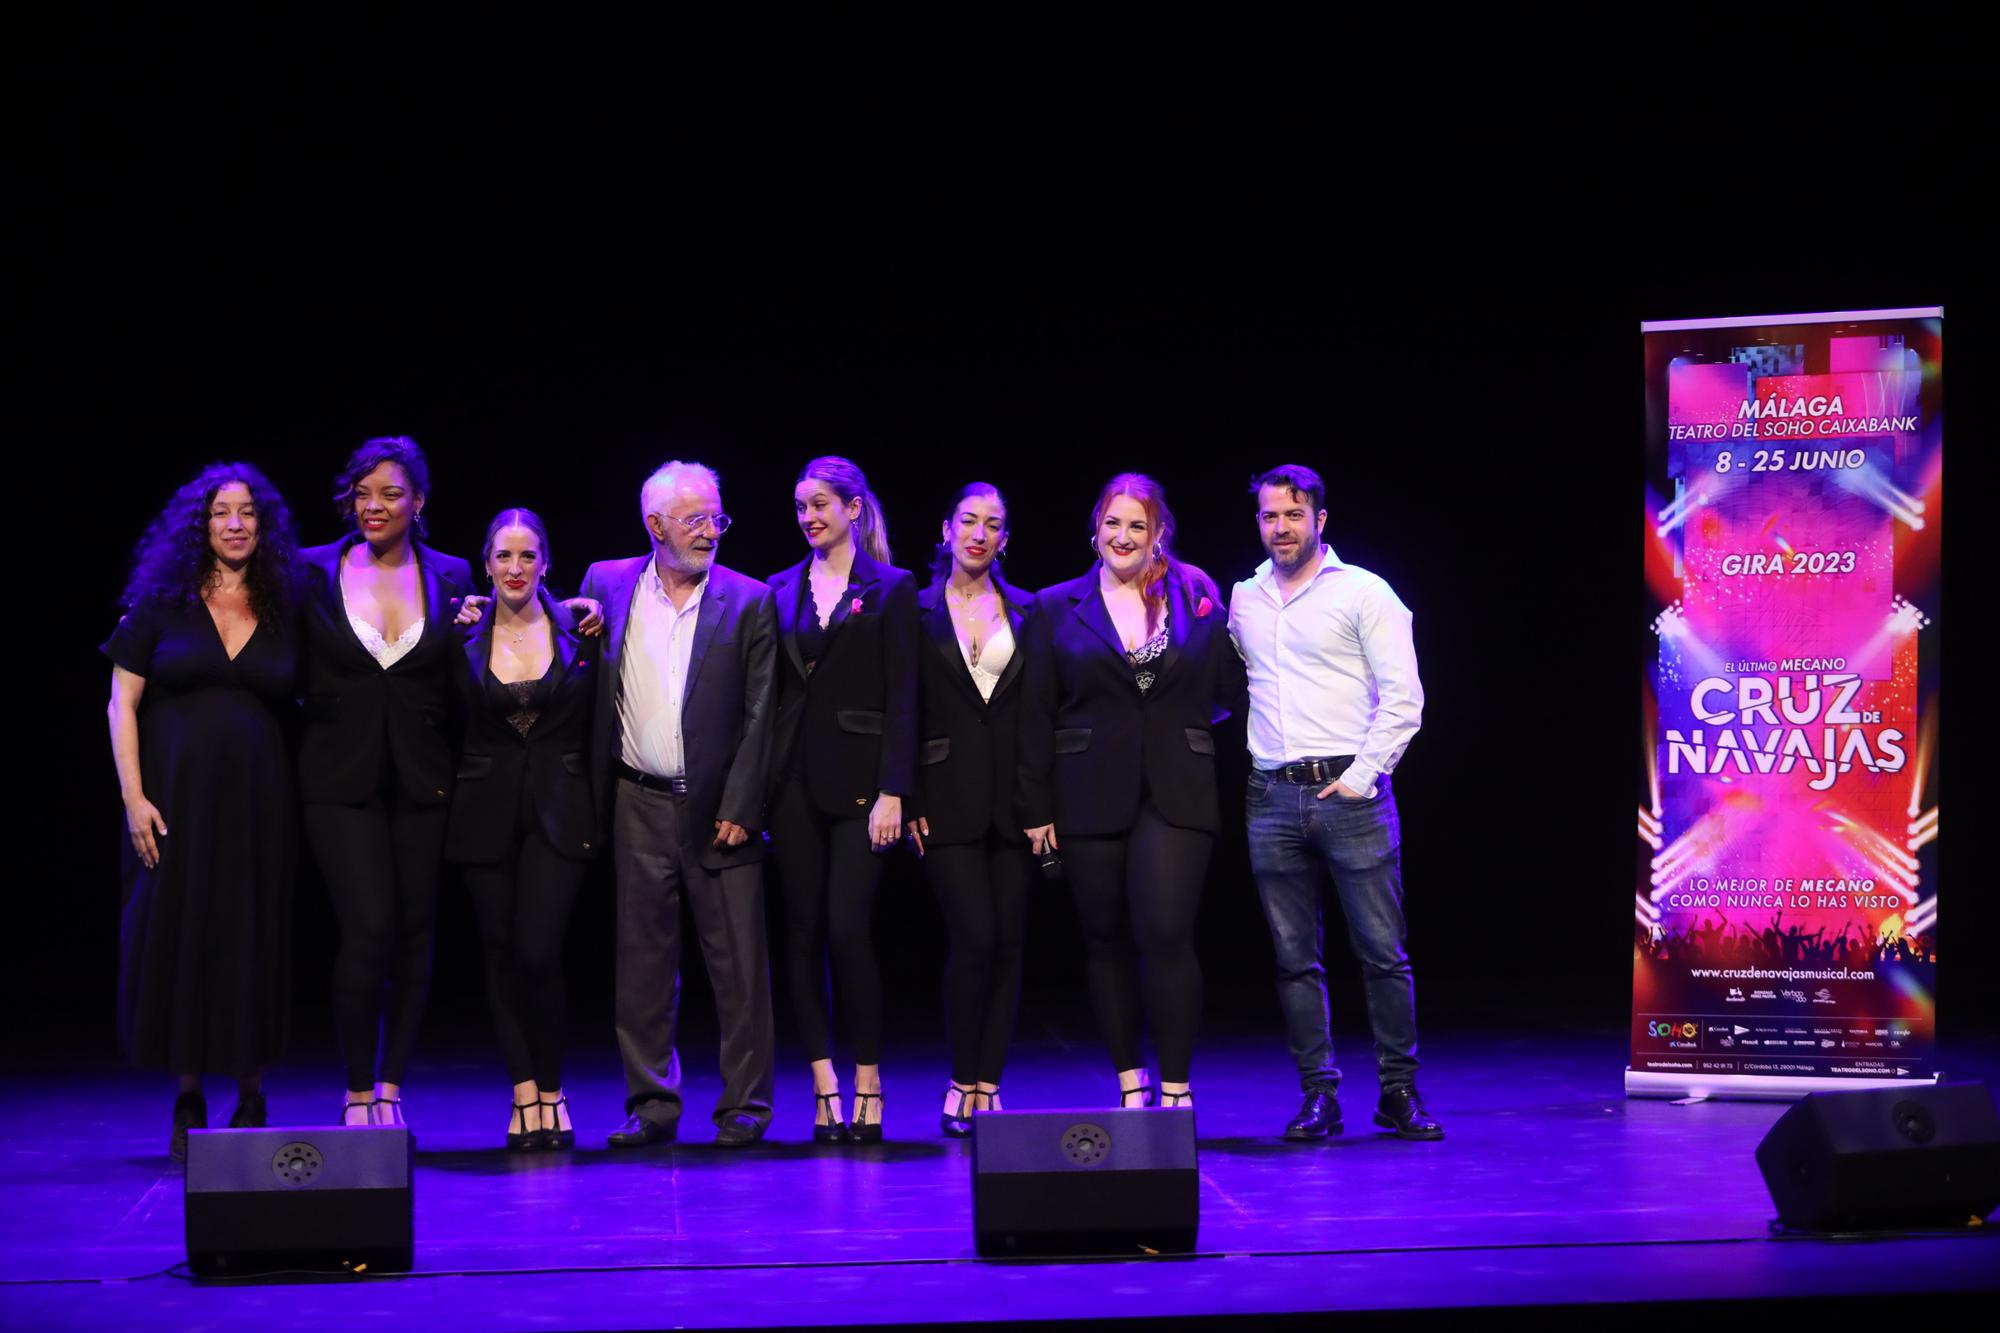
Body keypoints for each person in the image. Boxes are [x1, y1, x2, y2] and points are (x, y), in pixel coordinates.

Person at [1227, 464, 1439, 1141]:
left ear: (1321, 518)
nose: (1279, 527)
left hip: (1350, 791)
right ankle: (1319, 1094)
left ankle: (1398, 1090)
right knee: (1294, 957)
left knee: (1382, 951)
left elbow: (1404, 698)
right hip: (1271, 795)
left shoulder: (1365, 592)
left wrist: (1363, 774)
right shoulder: (1244, 598)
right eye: (1268, 516)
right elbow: (1234, 679)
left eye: (1292, 514)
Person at [1017, 473, 1240, 1109]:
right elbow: (1036, 711)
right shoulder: (1055, 605)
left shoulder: (1195, 591)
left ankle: (1175, 1086)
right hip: (1087, 789)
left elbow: (1226, 687)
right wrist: (1036, 808)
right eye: (1113, 523)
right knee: (1105, 938)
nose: (1123, 536)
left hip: (1178, 787)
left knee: (1167, 931)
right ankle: (1130, 1084)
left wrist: (1183, 730)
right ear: (1095, 530)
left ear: (1157, 533)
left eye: (1137, 525)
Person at [105, 463, 302, 1158]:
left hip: (260, 806)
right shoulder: (161, 602)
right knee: (183, 937)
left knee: (250, 935)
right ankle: (189, 1093)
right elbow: (120, 702)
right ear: (202, 522)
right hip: (175, 804)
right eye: (222, 511)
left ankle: (250, 1091)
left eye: (248, 511)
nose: (236, 523)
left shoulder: (287, 602)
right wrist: (133, 796)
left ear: (264, 524)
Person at [585, 461, 781, 1150]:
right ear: (655, 524)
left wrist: (744, 802)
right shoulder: (606, 585)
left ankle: (745, 1110)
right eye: (695, 517)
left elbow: (765, 712)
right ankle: (651, 1105)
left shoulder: (749, 599)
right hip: (635, 798)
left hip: (720, 808)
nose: (710, 530)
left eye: (716, 516)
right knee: (641, 965)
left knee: (739, 969)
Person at [298, 437, 475, 1127]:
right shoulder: (312, 570)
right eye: (363, 492)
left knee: (413, 931)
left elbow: (502, 627)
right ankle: (356, 1089)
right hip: (337, 777)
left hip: (424, 776)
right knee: (368, 925)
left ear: (418, 502)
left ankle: (393, 1087)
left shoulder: (451, 574)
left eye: (390, 493)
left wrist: (574, 612)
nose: (374, 505)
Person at [768, 456, 918, 1142]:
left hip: (863, 784)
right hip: (795, 782)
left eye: (821, 504)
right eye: (802, 507)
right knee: (801, 934)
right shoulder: (779, 589)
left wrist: (894, 788)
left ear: (853, 509)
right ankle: (824, 1081)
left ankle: (867, 1076)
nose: (810, 517)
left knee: (848, 929)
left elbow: (904, 695)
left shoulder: (890, 587)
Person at [445, 509, 598, 1151]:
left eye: (527, 556)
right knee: (502, 955)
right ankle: (523, 1094)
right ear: (486, 564)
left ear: (545, 562)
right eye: (503, 556)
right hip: (483, 813)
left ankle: (554, 1087)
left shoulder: (579, 628)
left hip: (561, 811)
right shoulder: (461, 635)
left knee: (538, 950)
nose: (515, 568)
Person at [905, 483, 1036, 1135]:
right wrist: (909, 795)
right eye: (969, 521)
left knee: (1009, 944)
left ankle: (990, 1084)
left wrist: (1040, 801)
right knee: (975, 936)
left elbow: (1038, 714)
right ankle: (960, 1080)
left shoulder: (1029, 610)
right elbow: (903, 706)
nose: (979, 533)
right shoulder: (917, 607)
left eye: (993, 524)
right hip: (945, 801)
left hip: (1014, 803)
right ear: (947, 528)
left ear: (1005, 538)